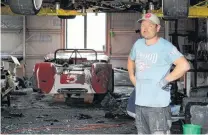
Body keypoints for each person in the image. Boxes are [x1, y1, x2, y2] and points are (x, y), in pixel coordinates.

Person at [127, 13, 190, 134]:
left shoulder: (165, 47)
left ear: (158, 28)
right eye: (143, 25)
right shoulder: (138, 44)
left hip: (158, 106)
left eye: (150, 25)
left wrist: (165, 81)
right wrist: (131, 76)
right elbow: (131, 59)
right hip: (140, 103)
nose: (145, 28)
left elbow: (184, 65)